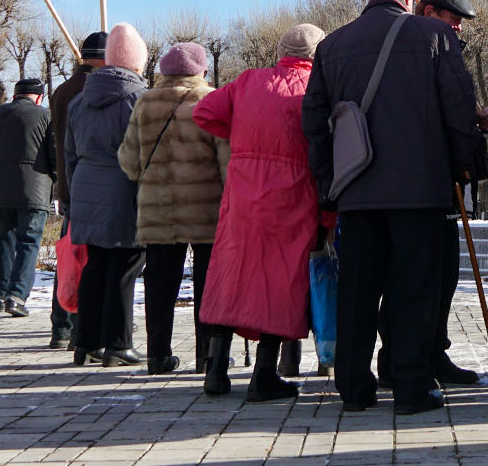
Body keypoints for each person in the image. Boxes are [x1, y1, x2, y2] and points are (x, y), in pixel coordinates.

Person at [302, 0, 481, 415]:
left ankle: (354, 388)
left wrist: (329, 184)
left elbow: (314, 123)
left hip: (357, 191)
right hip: (419, 190)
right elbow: (459, 112)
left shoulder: (333, 44)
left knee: (358, 290)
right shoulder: (436, 37)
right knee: (413, 289)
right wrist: (465, 167)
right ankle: (411, 387)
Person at [195, 24, 326, 403]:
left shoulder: (248, 80)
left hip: (243, 189)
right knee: (280, 280)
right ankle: (264, 375)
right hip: (293, 193)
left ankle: (215, 372)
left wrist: (240, 135)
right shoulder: (315, 90)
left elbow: (204, 112)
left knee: (230, 273)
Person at [373, 0, 488, 389]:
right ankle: (412, 358)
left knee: (436, 275)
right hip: (424, 179)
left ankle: (421, 354)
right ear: (427, 13)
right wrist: (468, 157)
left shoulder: (435, 43)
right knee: (421, 277)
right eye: (452, 19)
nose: (457, 28)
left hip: (408, 180)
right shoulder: (423, 45)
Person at [118, 42, 219, 376]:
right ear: (201, 70)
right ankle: (208, 354)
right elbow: (227, 161)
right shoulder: (211, 100)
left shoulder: (145, 102)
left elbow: (129, 162)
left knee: (159, 284)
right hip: (205, 209)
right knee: (208, 282)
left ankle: (158, 355)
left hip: (158, 211)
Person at [66, 25, 151, 367]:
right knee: (126, 263)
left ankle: (85, 340)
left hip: (86, 183)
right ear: (136, 62)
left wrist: (75, 192)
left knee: (96, 263)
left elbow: (70, 152)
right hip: (123, 186)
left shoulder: (79, 100)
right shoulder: (139, 99)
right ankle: (118, 343)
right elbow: (143, 153)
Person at [0, 78, 54, 319]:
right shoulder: (46, 116)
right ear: (38, 97)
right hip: (35, 190)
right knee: (28, 243)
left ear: (16, 95)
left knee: (3, 242)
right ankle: (17, 297)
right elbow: (55, 154)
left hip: (0, 191)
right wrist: (59, 186)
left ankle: (1, 295)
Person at [47, 32, 106, 349]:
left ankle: (61, 327)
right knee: (89, 259)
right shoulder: (94, 91)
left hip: (69, 187)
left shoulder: (62, 90)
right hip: (93, 185)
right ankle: (82, 327)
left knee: (70, 257)